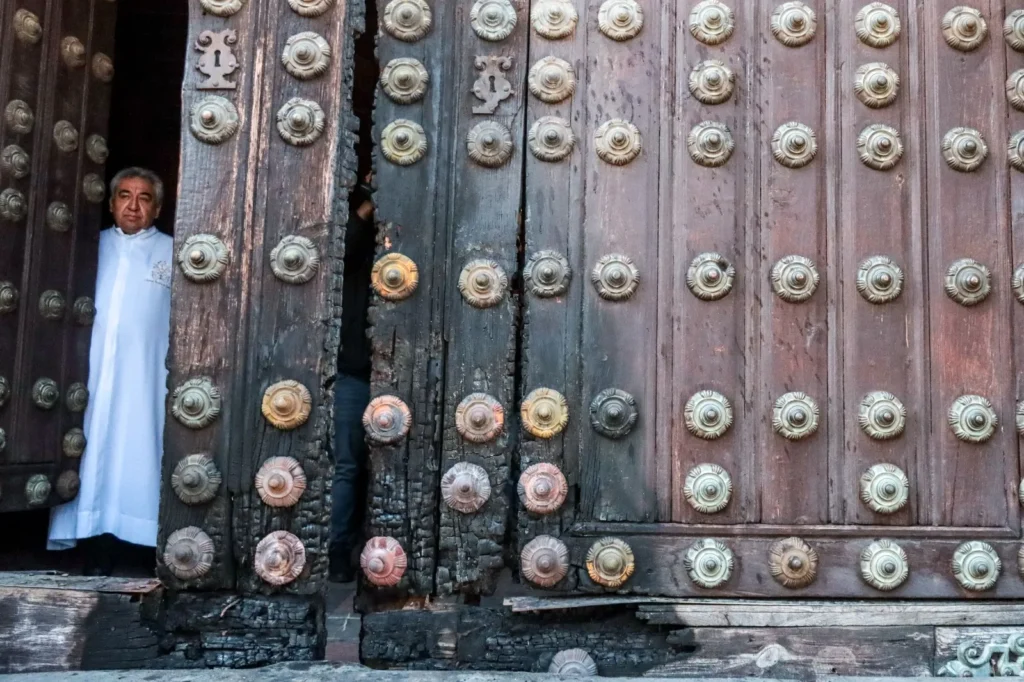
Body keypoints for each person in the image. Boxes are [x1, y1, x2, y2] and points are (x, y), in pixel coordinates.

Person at [48, 167, 173, 575]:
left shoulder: (174, 252)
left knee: (136, 449)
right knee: (88, 444)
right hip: (91, 375)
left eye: (143, 198)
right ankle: (85, 538)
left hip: (144, 377)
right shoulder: (89, 247)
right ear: (111, 202)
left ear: (157, 208)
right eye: (124, 196)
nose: (133, 206)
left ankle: (135, 544)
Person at [330, 180, 376, 583]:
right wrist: (368, 206)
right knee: (347, 465)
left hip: (407, 370)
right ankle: (338, 552)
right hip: (354, 372)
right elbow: (340, 251)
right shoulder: (357, 239)